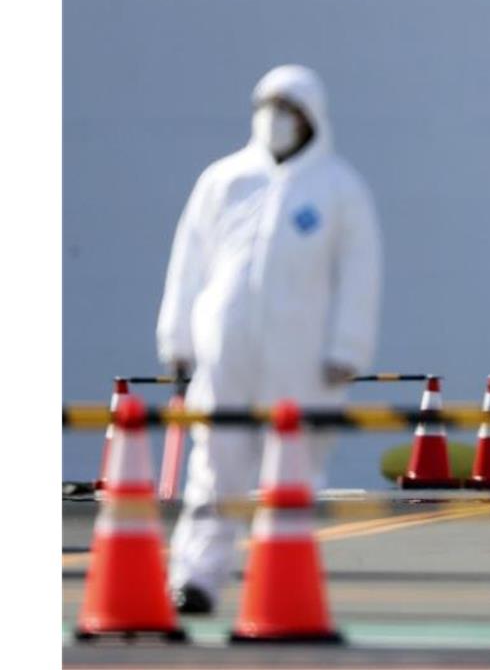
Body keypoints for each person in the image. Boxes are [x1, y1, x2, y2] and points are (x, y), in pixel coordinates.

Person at [156, 65, 382, 614]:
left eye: (288, 108)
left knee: (293, 467)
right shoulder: (224, 181)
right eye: (268, 104)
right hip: (225, 350)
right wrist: (177, 336)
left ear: (311, 118)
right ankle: (197, 578)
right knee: (214, 463)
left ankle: (281, 577)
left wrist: (347, 348)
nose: (275, 118)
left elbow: (360, 273)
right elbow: (189, 262)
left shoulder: (338, 189)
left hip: (302, 358)